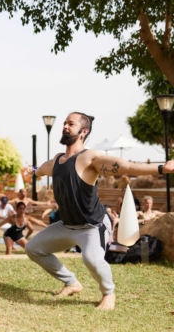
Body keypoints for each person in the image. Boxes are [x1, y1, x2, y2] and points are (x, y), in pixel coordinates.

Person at [25, 111, 174, 310]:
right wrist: (33, 170)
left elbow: (125, 165)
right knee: (33, 248)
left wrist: (161, 168)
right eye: (64, 123)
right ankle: (72, 282)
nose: (65, 127)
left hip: (92, 226)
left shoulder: (89, 157)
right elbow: (42, 169)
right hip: (66, 225)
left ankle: (108, 293)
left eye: (71, 124)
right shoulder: (57, 161)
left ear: (83, 131)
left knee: (92, 259)